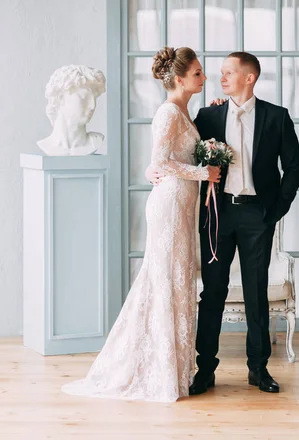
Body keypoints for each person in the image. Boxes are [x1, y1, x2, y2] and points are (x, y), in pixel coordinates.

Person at [62, 47, 220, 402]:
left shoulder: (184, 112)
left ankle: (176, 370)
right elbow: (159, 162)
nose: (204, 77)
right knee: (165, 281)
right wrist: (203, 173)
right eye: (198, 73)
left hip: (182, 205)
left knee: (177, 282)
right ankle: (158, 369)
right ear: (179, 79)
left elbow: (169, 158)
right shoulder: (168, 113)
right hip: (168, 207)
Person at [149, 51, 299, 395]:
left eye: (228, 72)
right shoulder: (208, 115)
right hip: (217, 214)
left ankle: (258, 369)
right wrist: (152, 169)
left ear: (249, 78)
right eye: (217, 73)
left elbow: (293, 167)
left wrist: (276, 210)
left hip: (258, 215)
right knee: (213, 292)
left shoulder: (277, 118)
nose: (220, 78)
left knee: (255, 294)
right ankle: (205, 370)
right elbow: (177, 151)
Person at [37, 64, 106, 156]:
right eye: (83, 97)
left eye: (94, 99)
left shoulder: (95, 143)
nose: (92, 106)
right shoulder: (46, 145)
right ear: (60, 97)